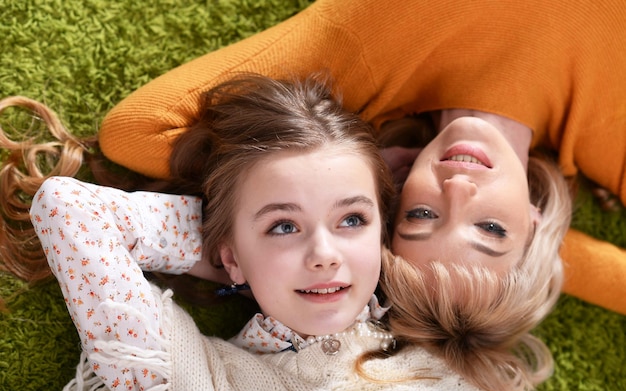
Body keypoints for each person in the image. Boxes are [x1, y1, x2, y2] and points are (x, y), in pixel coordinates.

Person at [26, 74, 557, 391]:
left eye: (352, 218)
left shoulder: (464, 374)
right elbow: (69, 210)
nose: (324, 254)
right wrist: (235, 245)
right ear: (230, 254)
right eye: (283, 226)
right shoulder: (190, 385)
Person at [90, 0, 626, 315]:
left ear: (392, 182)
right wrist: (544, 248)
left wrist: (343, 171)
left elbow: (137, 131)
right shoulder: (611, 128)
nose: (458, 190)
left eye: (421, 216)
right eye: (491, 228)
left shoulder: (370, 48)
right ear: (534, 223)